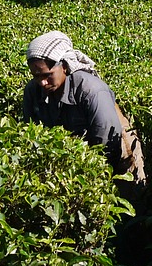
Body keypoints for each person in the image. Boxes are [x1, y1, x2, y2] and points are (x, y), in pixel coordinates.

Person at [21, 30, 145, 183]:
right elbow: (30, 133)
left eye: (47, 75)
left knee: (129, 186)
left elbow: (107, 145)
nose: (42, 82)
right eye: (36, 76)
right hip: (76, 151)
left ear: (64, 66)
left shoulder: (92, 91)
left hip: (117, 144)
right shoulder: (32, 91)